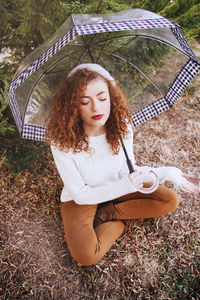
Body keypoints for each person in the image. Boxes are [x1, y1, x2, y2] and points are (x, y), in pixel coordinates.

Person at [46, 63, 200, 266]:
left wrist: (165, 172)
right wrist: (123, 187)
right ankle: (121, 218)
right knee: (86, 256)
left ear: (111, 96)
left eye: (102, 98)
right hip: (82, 198)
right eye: (85, 101)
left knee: (169, 200)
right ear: (73, 105)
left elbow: (130, 171)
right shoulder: (61, 142)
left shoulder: (122, 126)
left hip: (120, 185)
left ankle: (109, 214)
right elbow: (80, 193)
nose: (96, 108)